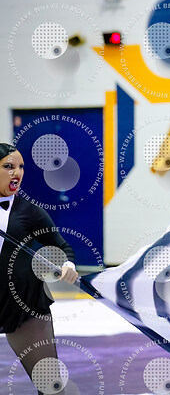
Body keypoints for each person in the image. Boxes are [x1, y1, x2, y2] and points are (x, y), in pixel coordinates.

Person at [0, 143, 78, 394]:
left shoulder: (29, 211)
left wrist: (68, 265)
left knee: (50, 384)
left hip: (23, 304)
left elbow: (62, 247)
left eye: (21, 167)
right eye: (8, 166)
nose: (17, 173)